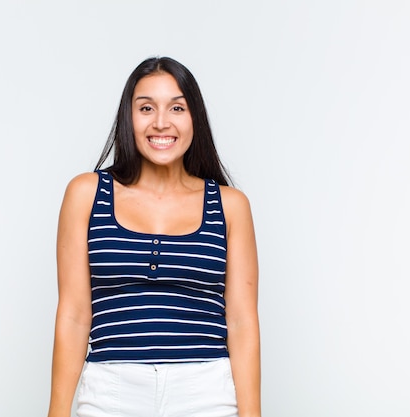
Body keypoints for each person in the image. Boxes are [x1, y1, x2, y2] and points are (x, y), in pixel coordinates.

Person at [48, 57, 260, 417]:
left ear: (195, 118)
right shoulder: (86, 194)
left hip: (204, 391)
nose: (161, 122)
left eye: (177, 107)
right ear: (128, 118)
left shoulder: (230, 206)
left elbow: (241, 321)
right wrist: (56, 411)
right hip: (110, 391)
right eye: (146, 108)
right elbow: (73, 315)